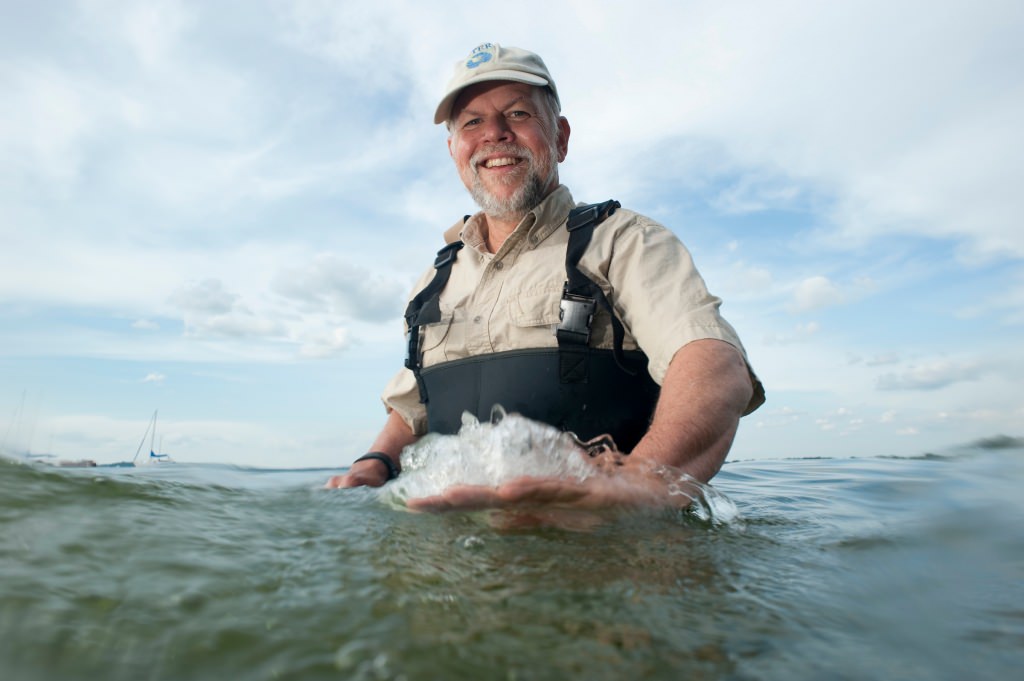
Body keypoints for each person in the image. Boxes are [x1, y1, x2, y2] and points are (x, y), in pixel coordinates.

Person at [327, 43, 764, 509]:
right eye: (472, 122)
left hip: (604, 555)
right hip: (452, 557)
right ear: (454, 149)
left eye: (517, 114)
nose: (494, 134)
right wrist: (374, 463)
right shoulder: (434, 281)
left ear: (561, 137)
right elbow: (414, 406)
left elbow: (714, 367)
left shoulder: (625, 243)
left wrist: (630, 487)